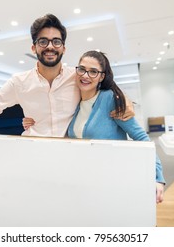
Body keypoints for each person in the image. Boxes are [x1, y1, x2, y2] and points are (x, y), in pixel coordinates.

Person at [0, 14, 134, 166]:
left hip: (71, 158)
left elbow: (103, 85)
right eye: (43, 41)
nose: (50, 47)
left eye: (56, 41)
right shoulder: (19, 82)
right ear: (34, 47)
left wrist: (126, 100)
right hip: (31, 156)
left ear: (63, 48)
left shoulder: (77, 77)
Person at [24, 50, 166, 203]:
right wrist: (33, 122)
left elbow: (141, 137)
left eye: (93, 72)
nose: (85, 75)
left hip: (114, 181)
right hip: (86, 182)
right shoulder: (73, 103)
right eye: (82, 69)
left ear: (101, 77)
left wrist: (157, 178)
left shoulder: (110, 99)